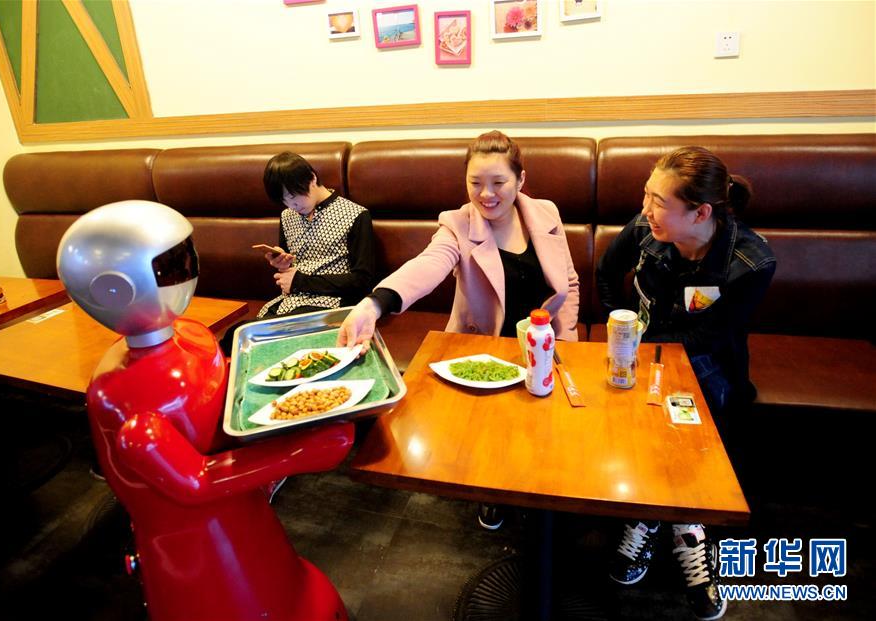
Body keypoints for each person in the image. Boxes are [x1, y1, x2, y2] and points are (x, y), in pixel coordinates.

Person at [337, 130, 581, 529]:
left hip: (541, 341)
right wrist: (374, 303)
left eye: (498, 182)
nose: (486, 194)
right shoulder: (456, 224)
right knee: (490, 439)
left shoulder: (545, 214)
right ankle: (491, 491)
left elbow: (568, 283)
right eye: (475, 183)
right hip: (485, 347)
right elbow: (428, 265)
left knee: (542, 433)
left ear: (521, 180)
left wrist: (567, 339)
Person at [597, 146, 776, 620]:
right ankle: (656, 515)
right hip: (642, 349)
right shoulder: (644, 231)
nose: (644, 209)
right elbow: (603, 273)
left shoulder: (750, 262)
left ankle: (683, 525)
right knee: (626, 414)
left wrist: (647, 354)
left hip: (707, 361)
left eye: (658, 201)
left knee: (689, 422)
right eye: (646, 194)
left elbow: (706, 335)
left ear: (701, 212)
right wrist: (618, 329)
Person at [220, 152, 376, 353]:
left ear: (312, 178)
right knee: (235, 336)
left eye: (293, 196)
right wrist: (282, 265)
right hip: (291, 302)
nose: (292, 205)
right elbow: (290, 274)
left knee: (244, 338)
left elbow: (363, 281)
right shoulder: (288, 216)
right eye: (284, 201)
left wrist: (299, 281)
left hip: (332, 307)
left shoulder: (356, 215)